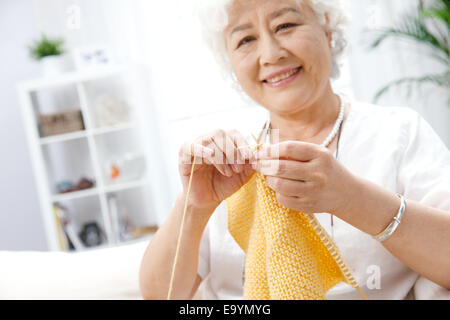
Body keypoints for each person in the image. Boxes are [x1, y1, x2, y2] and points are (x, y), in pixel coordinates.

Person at [139, 0, 450, 300]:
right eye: (246, 39)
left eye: (285, 25)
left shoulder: (397, 133)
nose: (271, 54)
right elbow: (160, 295)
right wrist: (194, 205)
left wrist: (353, 199)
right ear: (230, 63)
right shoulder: (225, 164)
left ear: (328, 31)